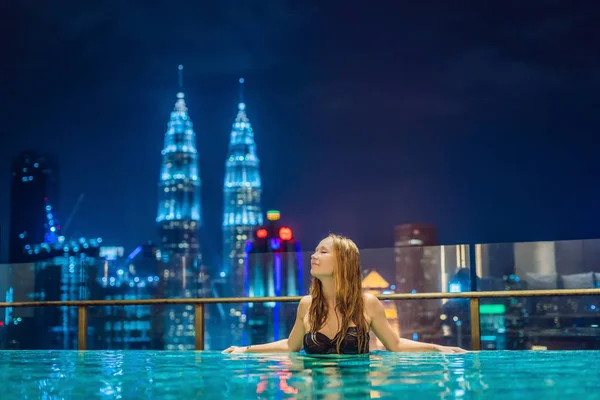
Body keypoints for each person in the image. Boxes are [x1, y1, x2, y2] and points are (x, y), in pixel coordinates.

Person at [223, 233, 467, 355]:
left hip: (356, 391)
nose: (313, 256)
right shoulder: (307, 304)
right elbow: (290, 346)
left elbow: (394, 344)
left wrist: (438, 349)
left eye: (323, 252)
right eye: (315, 251)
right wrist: (245, 350)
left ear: (343, 262)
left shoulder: (367, 304)